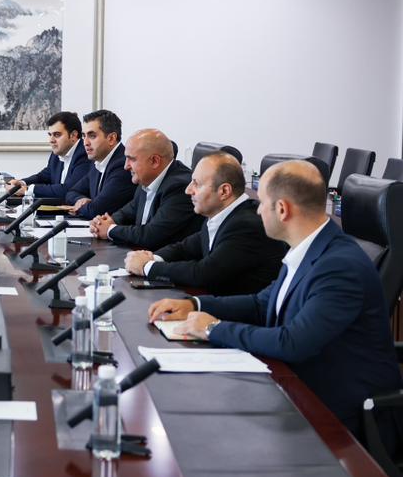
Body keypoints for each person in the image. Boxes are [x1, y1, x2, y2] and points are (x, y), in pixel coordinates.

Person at [147, 160, 403, 435]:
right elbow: (262, 303)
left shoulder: (339, 266)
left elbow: (293, 342)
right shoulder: (309, 248)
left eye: (262, 204)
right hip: (301, 387)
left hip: (345, 414)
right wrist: (194, 305)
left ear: (282, 209)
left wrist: (212, 328)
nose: (257, 210)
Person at [125, 152, 287, 294]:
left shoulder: (246, 225)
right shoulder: (223, 215)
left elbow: (203, 273)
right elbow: (185, 248)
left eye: (196, 183)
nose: (188, 190)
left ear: (224, 191)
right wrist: (152, 257)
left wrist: (147, 266)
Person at [89, 128, 202, 250]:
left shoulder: (179, 188)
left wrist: (109, 230)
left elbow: (151, 235)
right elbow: (128, 212)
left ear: (154, 161)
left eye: (132, 159)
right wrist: (106, 221)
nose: (126, 166)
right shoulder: (146, 179)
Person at [64, 109, 136, 218]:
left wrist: (80, 207)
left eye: (92, 136)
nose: (85, 143)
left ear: (111, 138)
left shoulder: (123, 165)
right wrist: (81, 200)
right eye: (84, 136)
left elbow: (95, 210)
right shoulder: (97, 163)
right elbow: (71, 192)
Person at [9, 111, 89, 201]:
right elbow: (44, 176)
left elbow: (69, 189)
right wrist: (22, 183)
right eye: (50, 135)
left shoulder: (85, 154)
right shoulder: (58, 153)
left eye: (57, 135)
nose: (51, 140)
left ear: (73, 135)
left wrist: (29, 190)